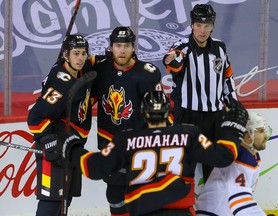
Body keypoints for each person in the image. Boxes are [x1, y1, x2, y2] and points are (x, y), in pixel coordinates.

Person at [61, 90, 249, 216]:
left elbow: (93, 168)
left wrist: (72, 148)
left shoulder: (125, 139)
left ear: (143, 113)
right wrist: (231, 129)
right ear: (169, 113)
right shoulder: (187, 133)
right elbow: (223, 156)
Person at [84, 26, 162, 216]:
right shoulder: (98, 66)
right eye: (118, 45)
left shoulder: (148, 73)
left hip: (139, 144)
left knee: (141, 194)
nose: (122, 50)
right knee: (114, 194)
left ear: (133, 47)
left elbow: (161, 112)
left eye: (126, 46)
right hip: (109, 142)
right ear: (111, 47)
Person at [162, 4, 237, 182]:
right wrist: (171, 61)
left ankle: (210, 208)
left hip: (214, 117)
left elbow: (227, 78)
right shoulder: (182, 46)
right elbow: (174, 62)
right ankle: (183, 207)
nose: (202, 30)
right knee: (183, 166)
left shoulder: (220, 47)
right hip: (187, 116)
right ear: (192, 25)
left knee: (213, 170)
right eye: (198, 25)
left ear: (213, 26)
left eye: (206, 25)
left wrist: (235, 107)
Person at [27, 34, 95, 216]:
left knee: (65, 201)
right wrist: (48, 141)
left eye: (83, 53)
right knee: (51, 202)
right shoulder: (60, 84)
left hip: (72, 146)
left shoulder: (83, 69)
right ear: (66, 55)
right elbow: (35, 117)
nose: (81, 58)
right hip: (55, 149)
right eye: (75, 53)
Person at [195, 112, 272, 216]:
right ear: (247, 135)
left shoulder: (250, 155)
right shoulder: (241, 158)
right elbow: (239, 199)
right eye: (261, 131)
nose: (266, 135)